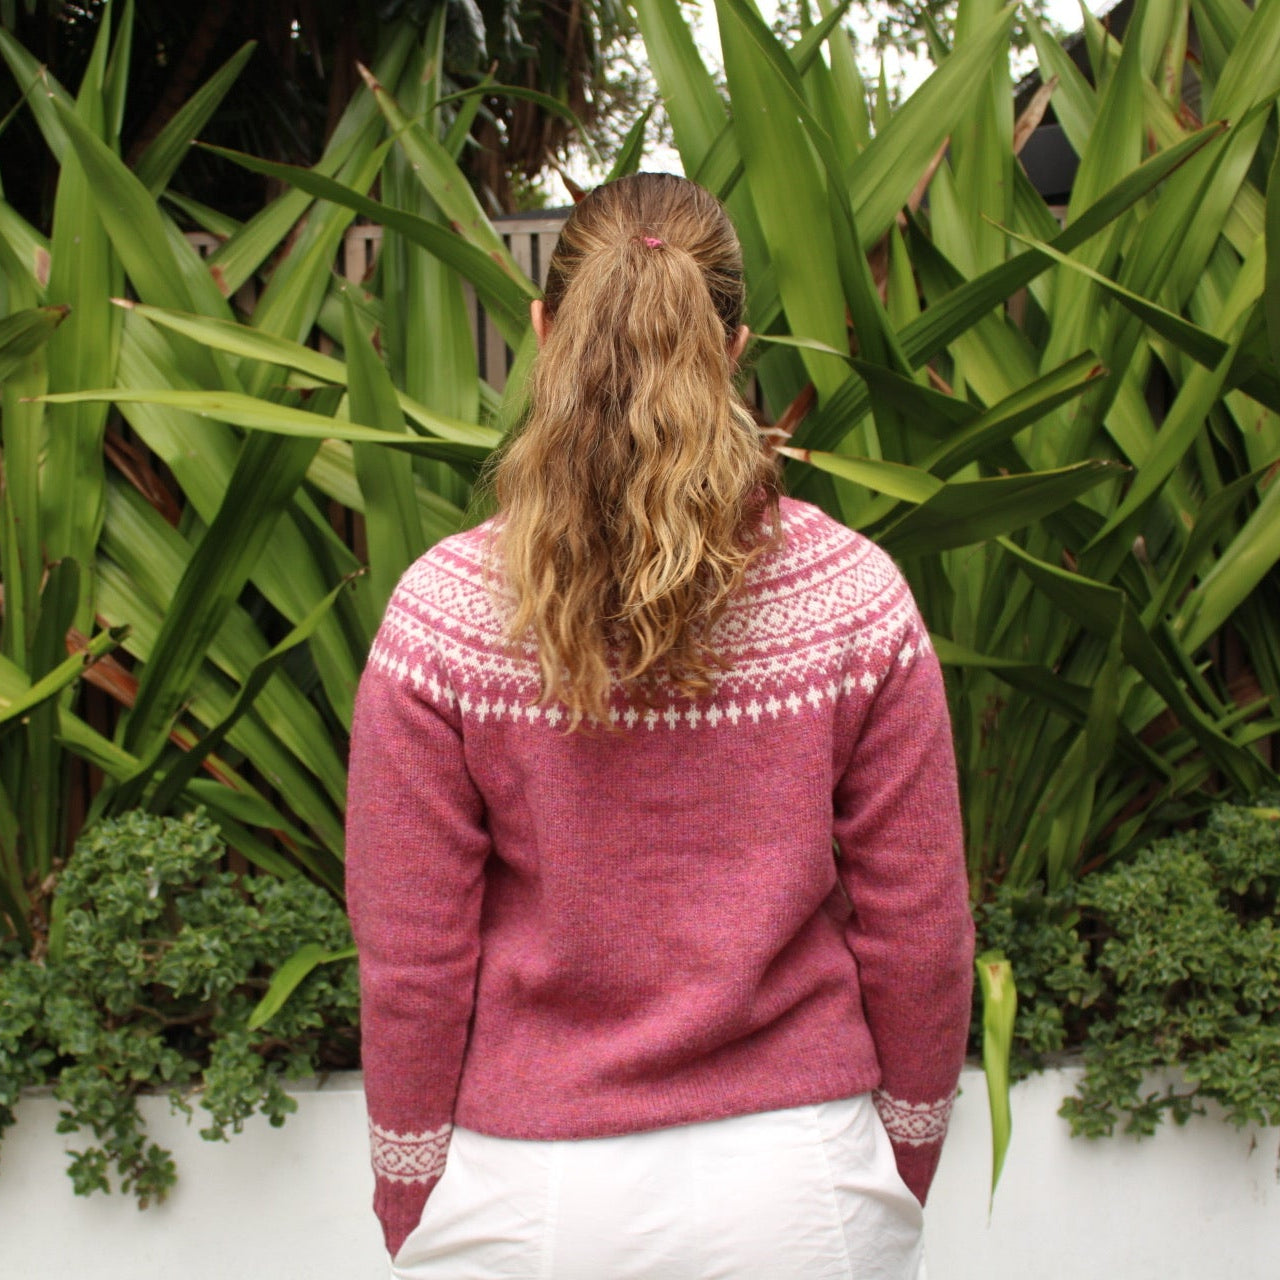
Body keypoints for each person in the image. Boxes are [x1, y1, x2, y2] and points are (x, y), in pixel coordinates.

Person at [345, 172, 974, 1279]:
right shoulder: (856, 596)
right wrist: (901, 1156)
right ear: (734, 345)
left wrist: (409, 1186)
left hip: (529, 1192)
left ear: (544, 329)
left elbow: (413, 959)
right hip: (802, 1184)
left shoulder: (442, 614)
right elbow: (919, 929)